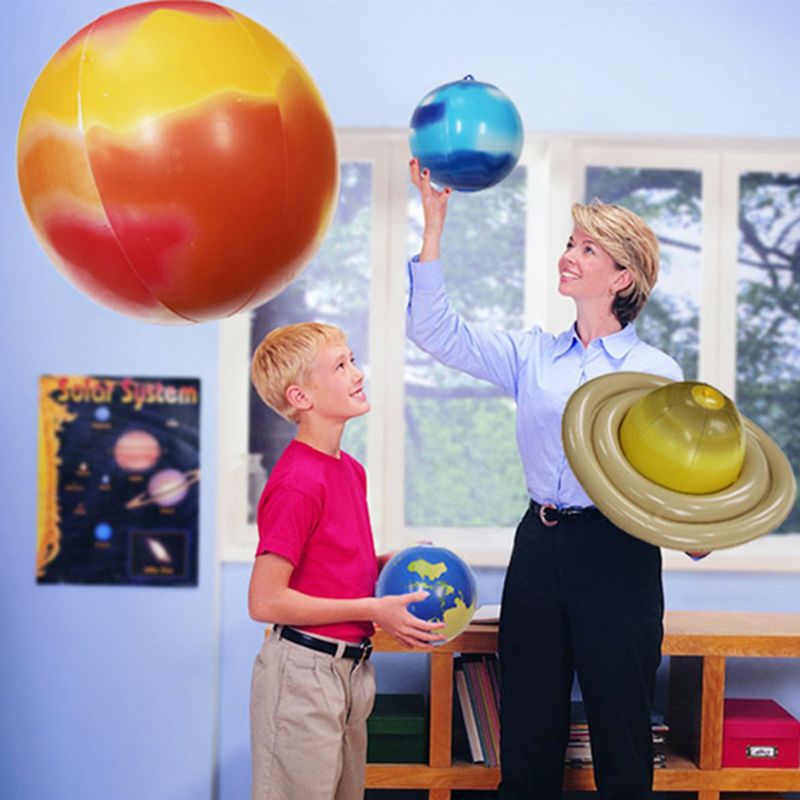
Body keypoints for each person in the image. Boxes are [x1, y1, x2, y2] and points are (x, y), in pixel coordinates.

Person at [406, 159, 684, 800]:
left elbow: (676, 479)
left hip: (618, 554)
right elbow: (433, 331)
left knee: (622, 733)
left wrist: (690, 528)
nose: (570, 255)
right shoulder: (532, 355)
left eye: (589, 249)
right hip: (539, 545)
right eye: (569, 243)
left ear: (622, 277)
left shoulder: (655, 373)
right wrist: (434, 224)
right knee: (528, 731)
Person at [248, 321, 444, 800]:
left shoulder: (349, 471)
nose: (357, 373)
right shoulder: (297, 481)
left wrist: (382, 564)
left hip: (351, 673)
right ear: (301, 396)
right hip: (302, 676)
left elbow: (327, 567)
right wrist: (372, 610)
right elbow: (266, 601)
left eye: (352, 359)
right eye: (340, 366)